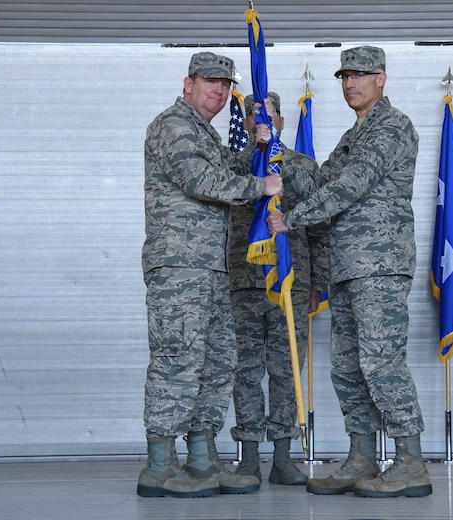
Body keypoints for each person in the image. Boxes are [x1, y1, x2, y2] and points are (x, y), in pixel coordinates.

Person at [267, 45, 432, 498]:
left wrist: (292, 219)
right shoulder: (352, 134)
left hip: (379, 265)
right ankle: (362, 455)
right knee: (347, 368)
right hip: (346, 267)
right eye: (343, 76)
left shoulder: (391, 127)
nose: (349, 84)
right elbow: (321, 182)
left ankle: (411, 461)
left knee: (381, 362)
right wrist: (276, 150)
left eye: (359, 75)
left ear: (381, 78)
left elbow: (350, 185)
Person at [137, 51, 283, 498]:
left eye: (224, 85)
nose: (218, 91)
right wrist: (263, 186)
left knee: (217, 363)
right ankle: (159, 466)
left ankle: (202, 461)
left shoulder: (202, 131)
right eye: (209, 83)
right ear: (188, 84)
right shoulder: (173, 126)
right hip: (180, 267)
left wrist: (257, 149)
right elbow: (201, 180)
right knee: (177, 362)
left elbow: (225, 168)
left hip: (212, 268)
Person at [228, 92, 330, 486]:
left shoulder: (302, 167)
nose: (261, 124)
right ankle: (249, 456)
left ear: (282, 122)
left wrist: (317, 282)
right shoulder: (232, 166)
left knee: (287, 369)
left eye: (268, 117)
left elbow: (320, 228)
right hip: (244, 281)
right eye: (253, 118)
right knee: (247, 370)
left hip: (291, 280)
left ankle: (284, 455)